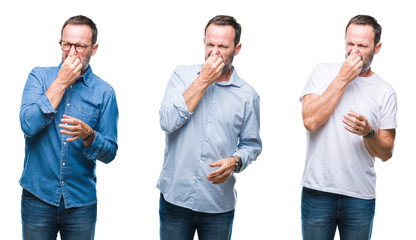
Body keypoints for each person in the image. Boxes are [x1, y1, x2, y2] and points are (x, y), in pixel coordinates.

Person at [157, 15, 262, 240]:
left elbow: (252, 144)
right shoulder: (182, 76)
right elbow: (167, 122)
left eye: (223, 46)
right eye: (210, 45)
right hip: (176, 198)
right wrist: (203, 80)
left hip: (217, 204)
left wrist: (235, 161)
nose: (214, 52)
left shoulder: (247, 95)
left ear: (237, 48)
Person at [19, 15, 118, 240]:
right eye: (67, 44)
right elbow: (27, 125)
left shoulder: (105, 92)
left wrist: (90, 136)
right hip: (38, 197)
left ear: (94, 49)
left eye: (80, 46)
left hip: (80, 202)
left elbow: (110, 152)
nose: (71, 52)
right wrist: (61, 81)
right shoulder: (39, 77)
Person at [300, 15, 397, 239]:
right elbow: (310, 121)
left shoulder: (385, 91)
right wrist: (343, 78)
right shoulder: (322, 72)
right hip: (318, 192)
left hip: (359, 197)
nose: (354, 51)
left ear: (377, 47)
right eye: (350, 44)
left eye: (362, 46)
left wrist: (369, 133)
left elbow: (387, 152)